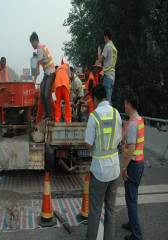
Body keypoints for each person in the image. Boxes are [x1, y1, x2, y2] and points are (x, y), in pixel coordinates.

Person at [85, 84, 122, 240]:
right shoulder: (116, 114)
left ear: (94, 98)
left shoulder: (94, 116)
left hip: (99, 171)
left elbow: (88, 144)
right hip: (114, 170)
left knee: (94, 211)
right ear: (105, 96)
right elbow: (119, 140)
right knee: (111, 210)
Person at [122, 93, 144, 240]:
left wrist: (124, 167)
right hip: (139, 163)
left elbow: (131, 148)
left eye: (125, 104)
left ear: (129, 105)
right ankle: (131, 223)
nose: (124, 106)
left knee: (131, 201)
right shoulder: (140, 120)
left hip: (133, 165)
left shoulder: (132, 124)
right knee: (133, 197)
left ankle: (137, 235)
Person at [30, 32, 55, 120]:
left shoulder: (40, 49)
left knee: (47, 94)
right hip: (47, 73)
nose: (32, 45)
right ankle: (47, 113)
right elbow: (43, 58)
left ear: (35, 41)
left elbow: (38, 65)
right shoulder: (40, 48)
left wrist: (34, 79)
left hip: (51, 73)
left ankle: (50, 115)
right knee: (41, 93)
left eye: (32, 43)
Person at [98, 28, 118, 106]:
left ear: (106, 36)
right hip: (113, 76)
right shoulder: (114, 48)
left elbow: (100, 61)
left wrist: (99, 53)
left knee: (107, 98)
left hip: (107, 75)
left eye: (104, 38)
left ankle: (109, 115)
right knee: (109, 95)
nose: (104, 40)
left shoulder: (107, 46)